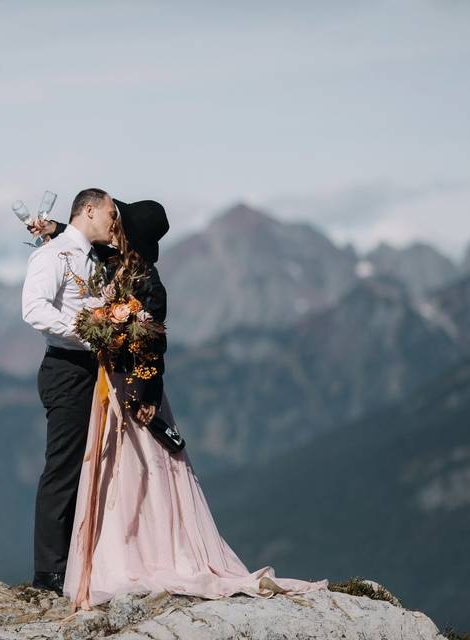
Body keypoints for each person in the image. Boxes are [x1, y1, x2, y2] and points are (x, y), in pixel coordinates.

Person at [31, 199, 330, 612]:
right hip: (106, 386)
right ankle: (90, 560)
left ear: (128, 231)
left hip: (132, 391)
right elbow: (83, 235)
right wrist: (53, 228)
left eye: (119, 219)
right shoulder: (110, 257)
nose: (112, 222)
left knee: (137, 477)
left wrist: (145, 397)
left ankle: (135, 557)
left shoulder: (148, 283)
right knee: (106, 475)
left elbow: (153, 345)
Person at [20, 187, 118, 596]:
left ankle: (79, 564)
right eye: (111, 213)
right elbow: (33, 308)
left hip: (93, 369)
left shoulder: (93, 257)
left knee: (90, 467)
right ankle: (49, 573)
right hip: (66, 369)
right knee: (63, 468)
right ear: (90, 210)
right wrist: (84, 328)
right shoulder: (52, 255)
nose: (115, 221)